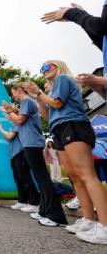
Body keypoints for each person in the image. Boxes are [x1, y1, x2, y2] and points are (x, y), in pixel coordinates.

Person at [24, 60, 107, 244]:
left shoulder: (62, 78)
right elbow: (48, 115)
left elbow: (58, 104)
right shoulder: (51, 90)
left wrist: (39, 93)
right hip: (59, 129)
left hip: (73, 125)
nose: (43, 71)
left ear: (58, 67)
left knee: (87, 175)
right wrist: (39, 97)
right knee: (74, 176)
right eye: (41, 69)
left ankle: (105, 225)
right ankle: (88, 220)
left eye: (47, 67)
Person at [3, 82, 67, 227]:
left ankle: (56, 216)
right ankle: (44, 211)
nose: (13, 95)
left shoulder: (27, 100)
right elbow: (21, 117)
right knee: (40, 179)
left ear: (19, 90)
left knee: (43, 179)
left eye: (13, 92)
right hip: (30, 143)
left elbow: (19, 120)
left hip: (33, 143)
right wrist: (11, 109)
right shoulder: (26, 103)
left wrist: (8, 111)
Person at [0, 122, 40, 211]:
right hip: (14, 155)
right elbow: (9, 139)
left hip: (20, 153)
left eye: (8, 114)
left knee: (26, 179)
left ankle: (34, 203)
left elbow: (9, 136)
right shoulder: (13, 126)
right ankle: (22, 201)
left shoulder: (17, 124)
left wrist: (0, 127)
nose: (7, 116)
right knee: (18, 179)